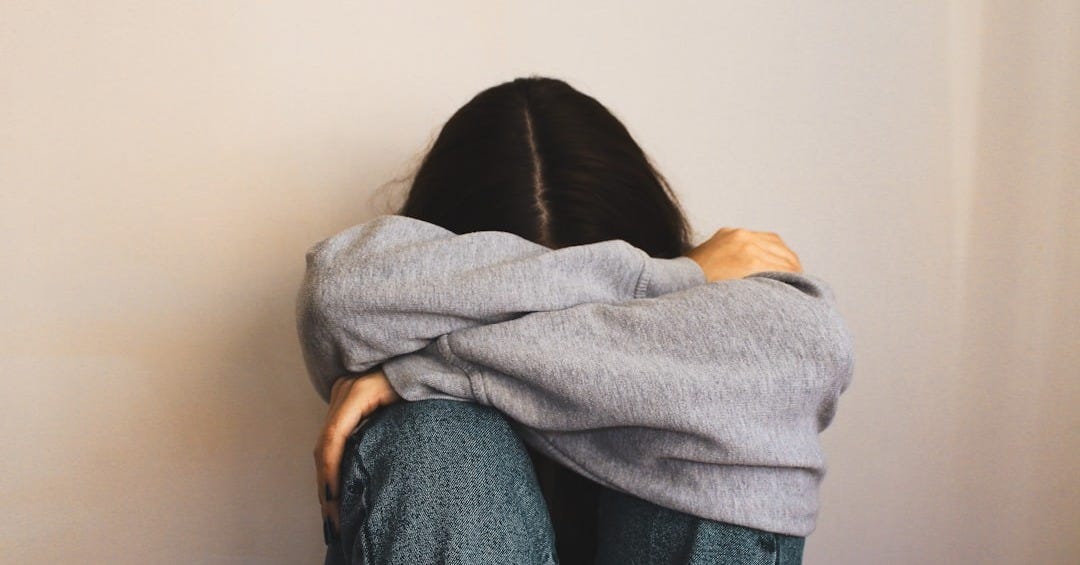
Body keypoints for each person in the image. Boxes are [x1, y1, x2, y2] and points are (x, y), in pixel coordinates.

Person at [295, 76, 855, 565]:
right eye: (519, 294)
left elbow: (809, 348)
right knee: (433, 435)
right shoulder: (678, 283)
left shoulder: (417, 347)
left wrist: (422, 366)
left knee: (722, 416)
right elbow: (337, 295)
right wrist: (668, 281)